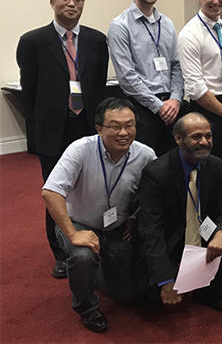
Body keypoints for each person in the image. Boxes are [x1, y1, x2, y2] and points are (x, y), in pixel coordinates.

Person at [17, 0, 109, 279]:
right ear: (53, 2)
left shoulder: (97, 40)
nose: (72, 4)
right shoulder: (33, 41)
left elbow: (98, 85)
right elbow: (29, 91)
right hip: (54, 129)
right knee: (57, 190)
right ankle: (61, 251)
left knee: (91, 186)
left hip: (88, 126)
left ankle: (94, 240)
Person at [41, 98, 157, 332]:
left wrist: (136, 214)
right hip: (79, 223)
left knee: (129, 296)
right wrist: (73, 234)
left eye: (130, 125)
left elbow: (155, 193)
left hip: (117, 229)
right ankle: (86, 306)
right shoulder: (80, 149)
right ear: (99, 129)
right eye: (115, 126)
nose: (124, 132)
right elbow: (50, 192)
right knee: (83, 256)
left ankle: (96, 272)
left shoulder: (145, 155)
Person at [139, 113, 222, 312]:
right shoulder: (156, 173)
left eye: (208, 136)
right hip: (171, 240)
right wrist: (165, 280)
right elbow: (151, 230)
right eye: (196, 137)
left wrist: (221, 235)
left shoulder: (216, 165)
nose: (204, 142)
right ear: (178, 138)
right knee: (152, 299)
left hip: (202, 232)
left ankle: (210, 293)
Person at [109, 0, 184, 156]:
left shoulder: (166, 23)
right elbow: (127, 76)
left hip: (172, 107)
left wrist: (175, 99)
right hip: (141, 110)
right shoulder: (120, 26)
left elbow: (176, 65)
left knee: (172, 165)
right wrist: (158, 107)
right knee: (144, 167)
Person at [177, 0, 222, 188]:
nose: (216, 1)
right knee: (210, 173)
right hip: (208, 110)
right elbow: (194, 87)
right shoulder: (190, 35)